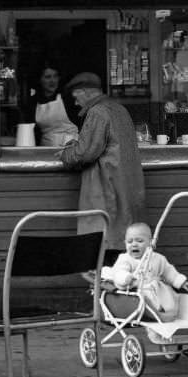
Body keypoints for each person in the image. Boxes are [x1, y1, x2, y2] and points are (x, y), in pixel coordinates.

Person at [58, 72, 146, 259]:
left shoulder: (97, 112)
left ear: (86, 92)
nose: (75, 103)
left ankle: (102, 287)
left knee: (103, 250)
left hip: (107, 192)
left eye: (76, 97)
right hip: (124, 191)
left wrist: (66, 152)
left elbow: (85, 153)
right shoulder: (119, 109)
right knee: (121, 251)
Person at [104, 222, 188, 322]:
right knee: (144, 299)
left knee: (171, 298)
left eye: (139, 241)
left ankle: (170, 314)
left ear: (150, 243)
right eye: (129, 241)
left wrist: (180, 281)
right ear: (125, 243)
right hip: (137, 292)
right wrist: (126, 277)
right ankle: (159, 316)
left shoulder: (157, 258)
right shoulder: (125, 259)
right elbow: (119, 272)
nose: (134, 244)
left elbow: (168, 271)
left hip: (157, 290)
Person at [22, 64, 80, 147]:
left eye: (55, 76)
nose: (52, 81)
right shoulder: (33, 102)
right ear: (40, 80)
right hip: (47, 149)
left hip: (72, 146)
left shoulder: (68, 98)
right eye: (48, 77)